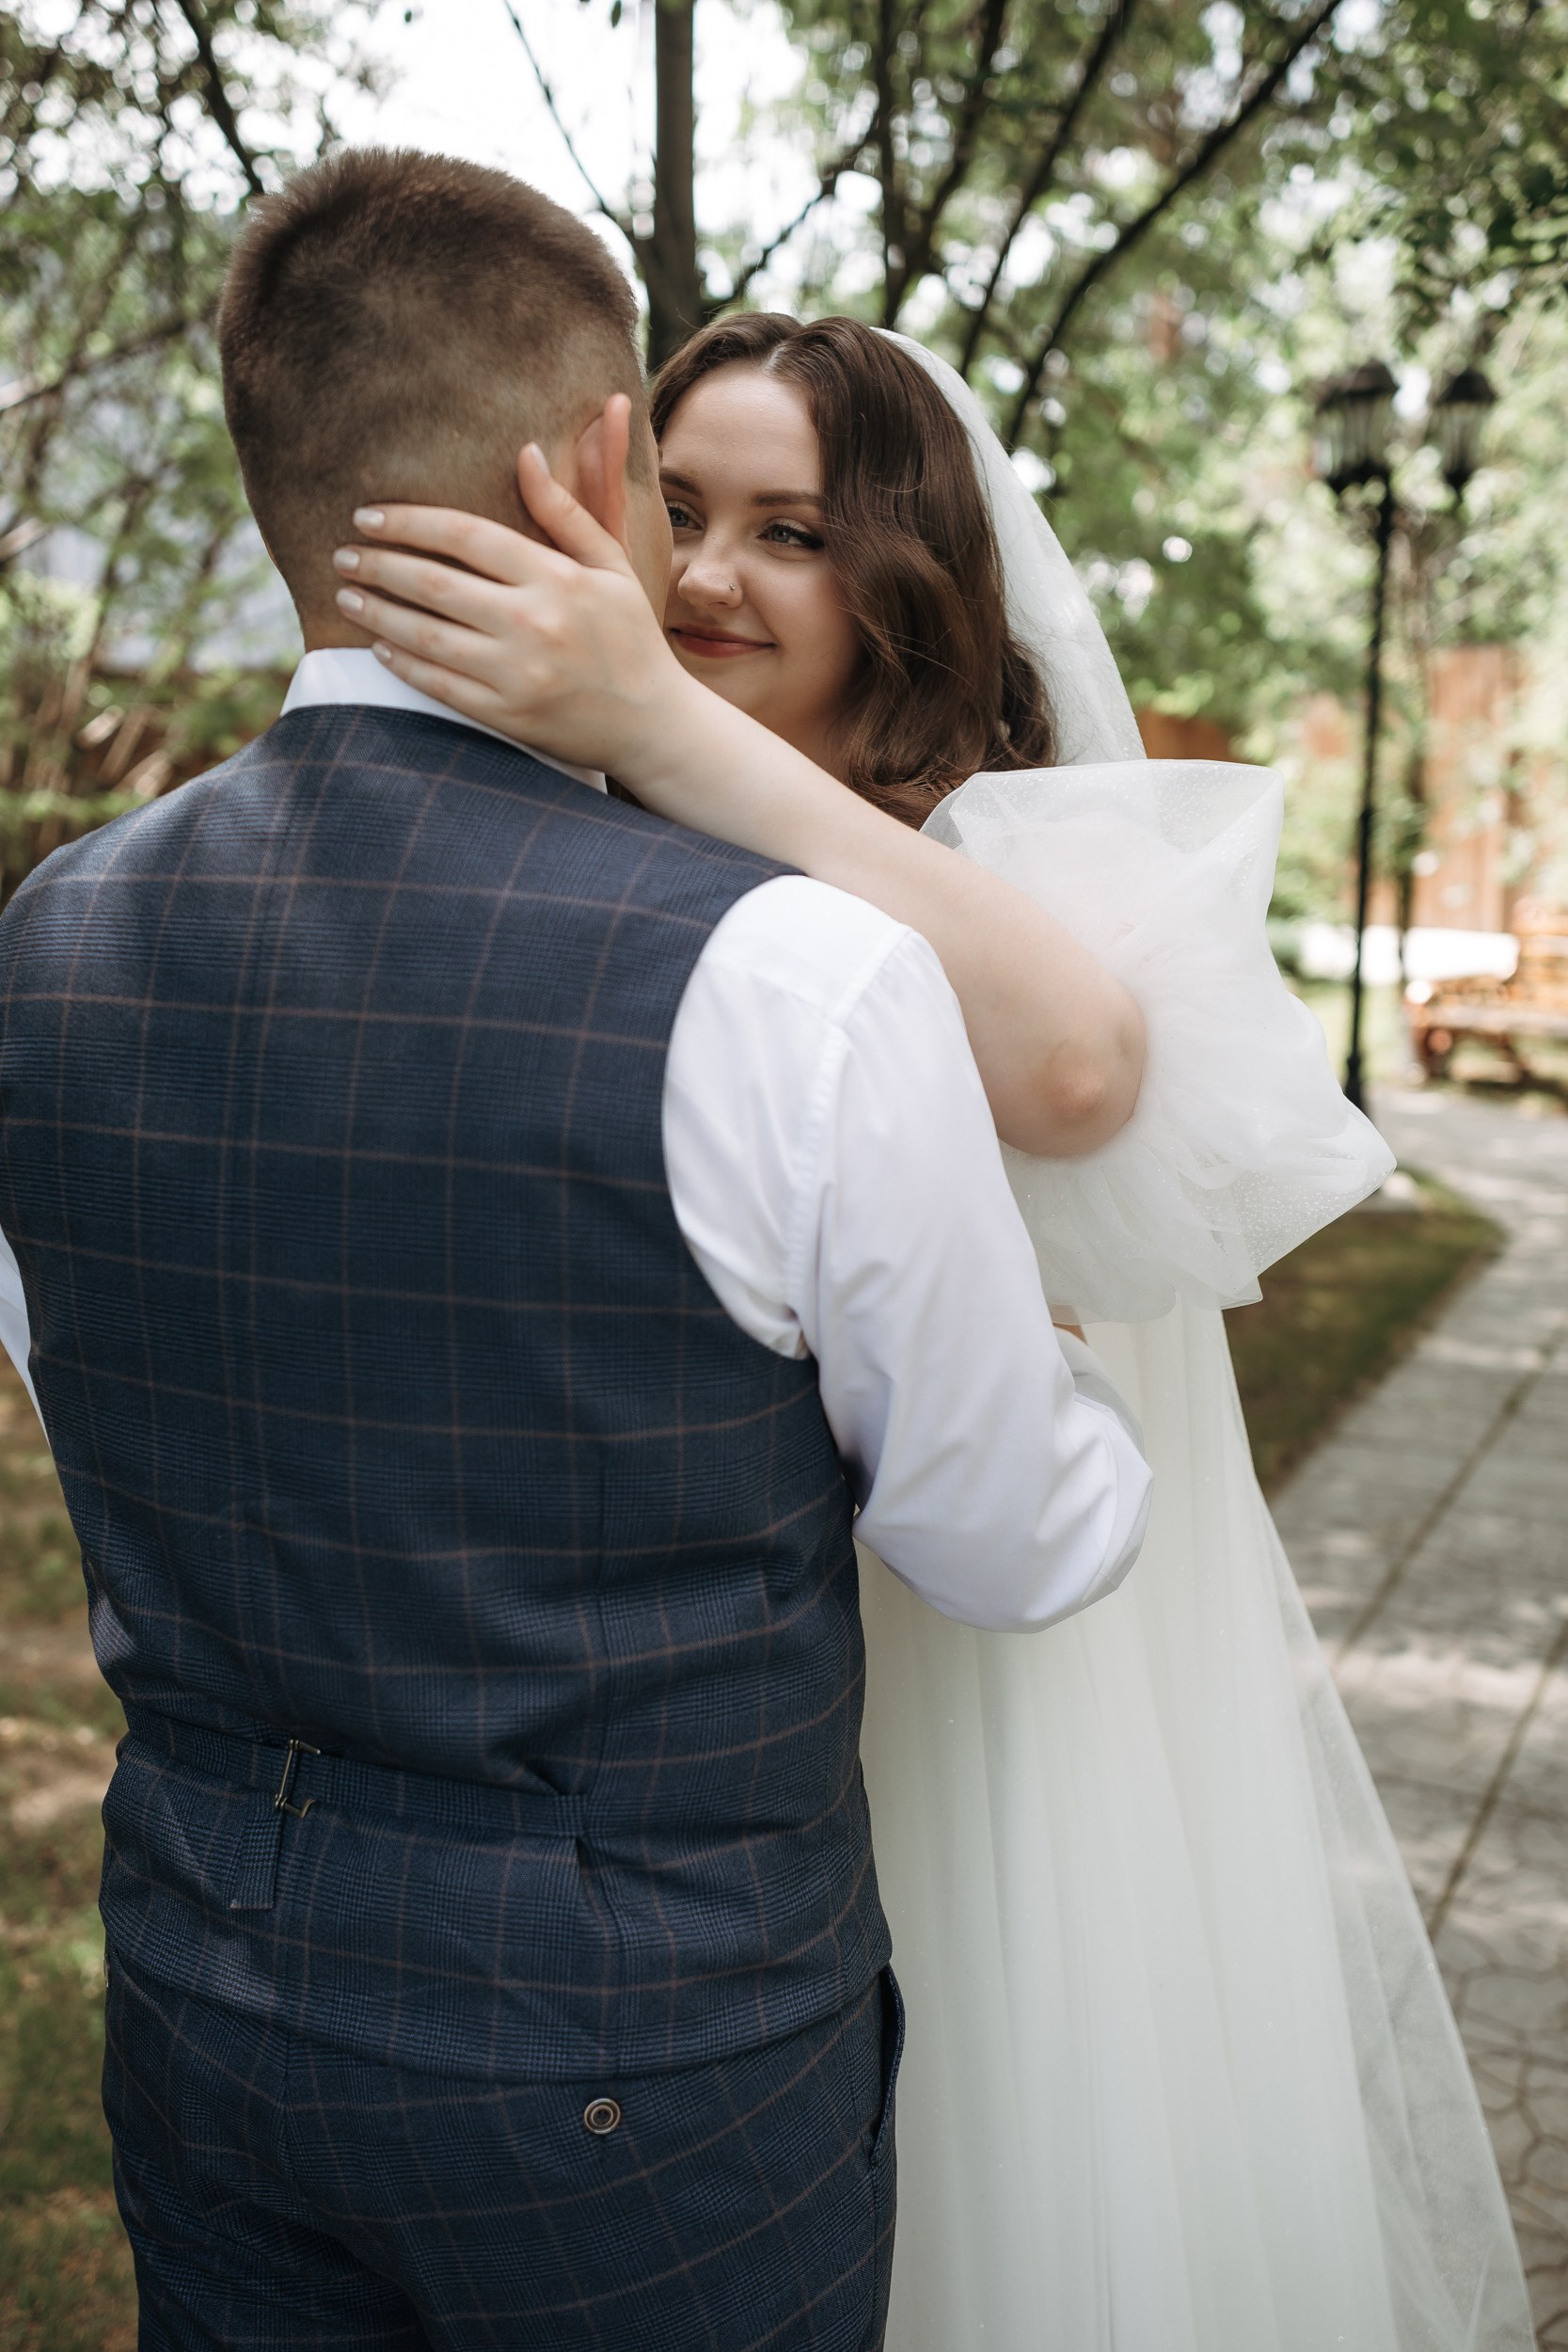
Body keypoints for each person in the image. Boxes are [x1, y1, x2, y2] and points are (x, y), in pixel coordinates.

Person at [0, 152, 1157, 2350]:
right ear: (602, 461)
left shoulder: (48, 942)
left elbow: (91, 1381)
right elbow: (1011, 1541)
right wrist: (1064, 1370)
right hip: (649, 2072)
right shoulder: (796, 982)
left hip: (206, 2001)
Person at [351, 308, 1537, 2349]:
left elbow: (1074, 1068)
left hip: (962, 1655)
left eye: (790, 531)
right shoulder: (615, 841)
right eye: (683, 511)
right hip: (681, 1669)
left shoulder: (1007, 838)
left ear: (894, 571)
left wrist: (650, 711)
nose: (711, 577)